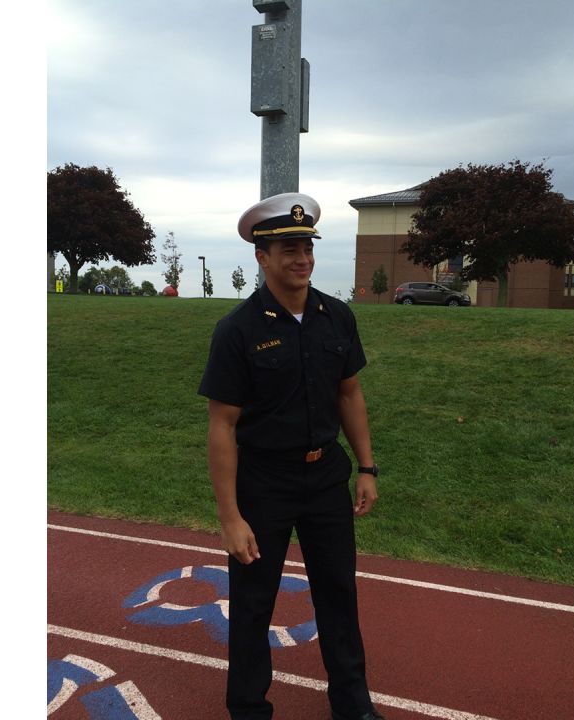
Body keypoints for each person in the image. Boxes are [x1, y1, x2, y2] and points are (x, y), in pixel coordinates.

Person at [198, 192, 385, 720]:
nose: (301, 257)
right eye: (287, 248)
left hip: (326, 476)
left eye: (306, 245)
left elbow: (349, 393)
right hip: (265, 483)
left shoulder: (336, 317)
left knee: (338, 596)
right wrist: (230, 516)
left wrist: (366, 467)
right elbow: (222, 425)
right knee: (254, 605)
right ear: (262, 256)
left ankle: (353, 704)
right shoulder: (238, 330)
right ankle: (249, 709)